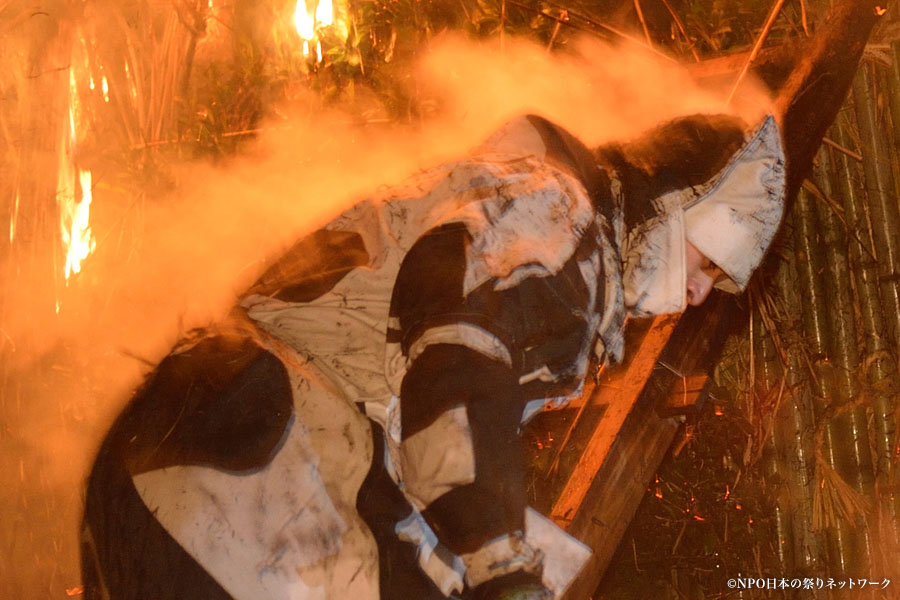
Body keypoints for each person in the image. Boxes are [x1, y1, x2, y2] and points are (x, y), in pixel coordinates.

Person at [81, 111, 785, 600]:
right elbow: (456, 364)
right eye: (711, 263)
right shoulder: (559, 216)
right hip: (243, 474)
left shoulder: (519, 192)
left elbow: (419, 395)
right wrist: (502, 564)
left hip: (190, 453)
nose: (697, 292)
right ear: (679, 198)